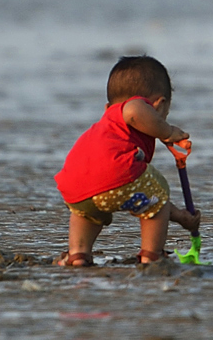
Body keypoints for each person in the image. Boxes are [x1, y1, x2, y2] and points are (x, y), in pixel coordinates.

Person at [54, 55, 201, 266]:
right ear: (158, 106)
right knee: (158, 187)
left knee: (86, 214)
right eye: (162, 115)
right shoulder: (133, 107)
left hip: (75, 186)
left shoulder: (108, 123)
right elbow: (134, 110)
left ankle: (78, 255)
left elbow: (146, 197)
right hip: (116, 176)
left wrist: (180, 217)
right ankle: (152, 255)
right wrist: (166, 131)